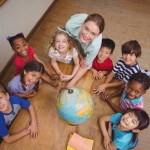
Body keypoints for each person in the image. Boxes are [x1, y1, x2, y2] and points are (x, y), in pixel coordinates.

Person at [65, 13, 105, 87]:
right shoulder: (70, 26)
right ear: (83, 24)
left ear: (98, 35)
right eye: (86, 29)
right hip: (72, 35)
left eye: (93, 34)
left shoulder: (95, 46)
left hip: (82, 44)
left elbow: (85, 66)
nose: (87, 35)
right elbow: (71, 39)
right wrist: (80, 55)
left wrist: (71, 83)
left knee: (83, 62)